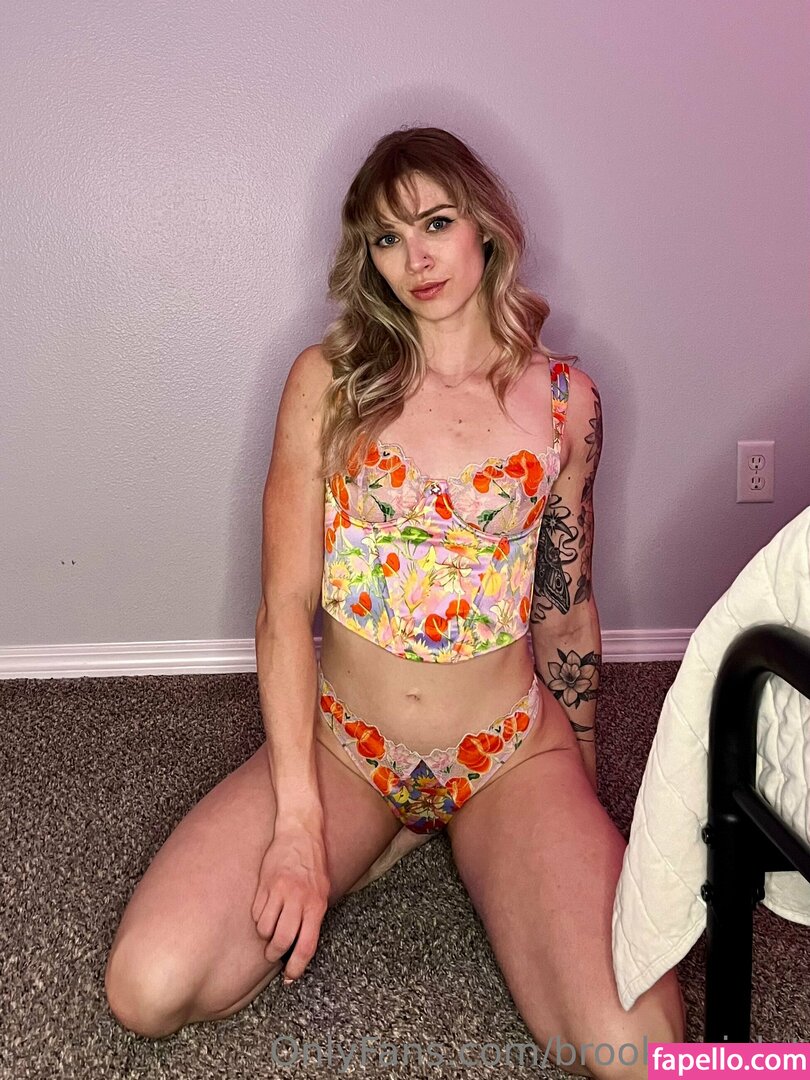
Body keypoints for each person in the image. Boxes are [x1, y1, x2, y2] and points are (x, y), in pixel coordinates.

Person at [104, 127, 685, 1078]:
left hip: (509, 755)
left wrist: (582, 788)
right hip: (347, 748)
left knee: (643, 1057)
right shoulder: (327, 383)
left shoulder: (567, 403)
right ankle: (386, 833)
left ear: (484, 228)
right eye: (386, 237)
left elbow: (566, 607)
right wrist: (299, 827)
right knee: (148, 987)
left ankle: (451, 834)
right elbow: (285, 610)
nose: (415, 258)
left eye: (436, 223)